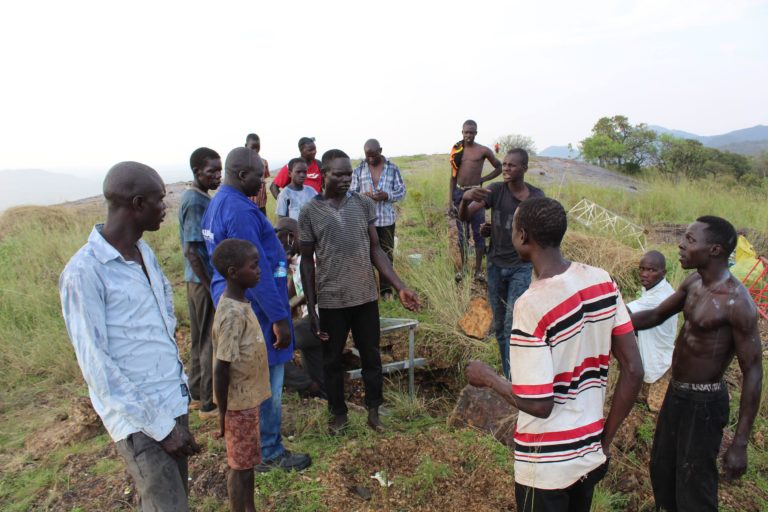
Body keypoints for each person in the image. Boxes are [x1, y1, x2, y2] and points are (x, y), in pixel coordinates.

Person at [466, 197, 643, 512]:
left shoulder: (532, 305)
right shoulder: (602, 280)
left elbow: (538, 404)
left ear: (523, 238)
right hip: (589, 454)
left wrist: (488, 378)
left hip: (545, 466)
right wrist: (603, 442)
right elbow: (633, 369)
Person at [60, 162, 200, 511]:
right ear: (137, 204)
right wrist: (161, 429)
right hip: (140, 421)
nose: (165, 207)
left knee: (172, 499)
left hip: (169, 405)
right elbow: (97, 366)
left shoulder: (144, 253)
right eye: (159, 200)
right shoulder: (84, 272)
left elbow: (161, 323)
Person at [630, 216, 762, 512]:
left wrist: (740, 442)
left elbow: (753, 371)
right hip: (676, 394)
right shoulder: (693, 282)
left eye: (690, 239)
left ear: (714, 250)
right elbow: (655, 316)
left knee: (695, 484)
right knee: (662, 470)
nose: (681, 244)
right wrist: (607, 323)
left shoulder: (736, 302)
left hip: (704, 403)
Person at [202, 147, 311, 472]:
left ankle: (260, 446)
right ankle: (269, 451)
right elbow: (256, 268)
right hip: (258, 310)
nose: (263, 183)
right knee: (266, 380)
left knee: (252, 378)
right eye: (259, 177)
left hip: (241, 301)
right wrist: (280, 318)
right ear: (241, 175)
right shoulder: (238, 211)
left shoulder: (219, 204)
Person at [299, 149, 420, 435]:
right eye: (338, 174)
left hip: (365, 296)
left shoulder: (363, 204)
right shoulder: (309, 213)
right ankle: (338, 414)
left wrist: (400, 286)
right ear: (324, 174)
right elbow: (306, 262)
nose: (345, 179)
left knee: (371, 357)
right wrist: (313, 308)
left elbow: (375, 248)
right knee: (332, 360)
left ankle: (374, 412)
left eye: (348, 174)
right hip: (331, 300)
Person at [459, 148, 544, 380]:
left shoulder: (536, 197)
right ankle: (510, 376)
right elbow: (465, 216)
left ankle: (517, 378)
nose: (505, 168)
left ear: (524, 168)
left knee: (512, 324)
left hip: (521, 266)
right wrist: (465, 201)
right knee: (499, 326)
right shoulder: (496, 190)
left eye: (511, 165)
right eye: (504, 164)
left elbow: (544, 230)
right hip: (495, 265)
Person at [211, 238, 272, 512]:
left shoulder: (241, 304)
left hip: (247, 402)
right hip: (237, 407)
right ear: (233, 272)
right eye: (254, 266)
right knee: (240, 468)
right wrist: (223, 413)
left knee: (247, 465)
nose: (259, 270)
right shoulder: (232, 314)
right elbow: (221, 366)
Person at [179, 147, 222, 420]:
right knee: (208, 339)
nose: (217, 176)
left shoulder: (198, 197)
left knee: (199, 338)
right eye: (212, 172)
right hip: (201, 280)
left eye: (219, 171)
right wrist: (210, 286)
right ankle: (208, 402)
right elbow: (193, 250)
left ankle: (196, 393)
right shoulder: (195, 202)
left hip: (195, 280)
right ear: (197, 172)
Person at [275, 217, 326, 398]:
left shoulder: (314, 255)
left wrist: (293, 303)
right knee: (314, 361)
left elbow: (322, 289)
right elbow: (293, 286)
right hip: (311, 318)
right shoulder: (296, 257)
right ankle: (319, 393)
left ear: (290, 237)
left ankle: (306, 385)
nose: (280, 247)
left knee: (272, 344)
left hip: (323, 318)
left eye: (281, 242)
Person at [351, 139, 406, 298]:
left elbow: (401, 191)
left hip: (386, 220)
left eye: (373, 156)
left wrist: (387, 195)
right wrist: (363, 196)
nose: (370, 159)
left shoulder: (392, 168)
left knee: (387, 255)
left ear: (380, 150)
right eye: (367, 156)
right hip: (365, 221)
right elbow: (350, 192)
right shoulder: (359, 169)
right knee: (364, 254)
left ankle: (386, 290)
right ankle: (368, 290)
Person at [449, 119, 502, 282]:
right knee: (462, 235)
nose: (468, 135)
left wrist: (483, 179)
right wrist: (450, 200)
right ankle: (463, 270)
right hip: (459, 194)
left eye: (471, 132)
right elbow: (452, 176)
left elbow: (499, 167)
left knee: (479, 233)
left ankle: (478, 271)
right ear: (462, 132)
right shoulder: (457, 150)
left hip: (476, 194)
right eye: (466, 132)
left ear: (476, 133)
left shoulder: (483, 150)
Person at [625, 250, 677, 408]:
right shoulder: (657, 288)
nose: (644, 274)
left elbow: (623, 314)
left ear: (663, 272)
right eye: (642, 269)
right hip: (658, 353)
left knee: (656, 408)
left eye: (651, 270)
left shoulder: (659, 297)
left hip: (659, 361)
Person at [245, 134, 270, 215]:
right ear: (246, 146)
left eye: (258, 147)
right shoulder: (242, 163)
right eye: (253, 147)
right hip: (246, 205)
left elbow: (265, 178)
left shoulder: (264, 162)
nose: (255, 150)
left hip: (261, 205)